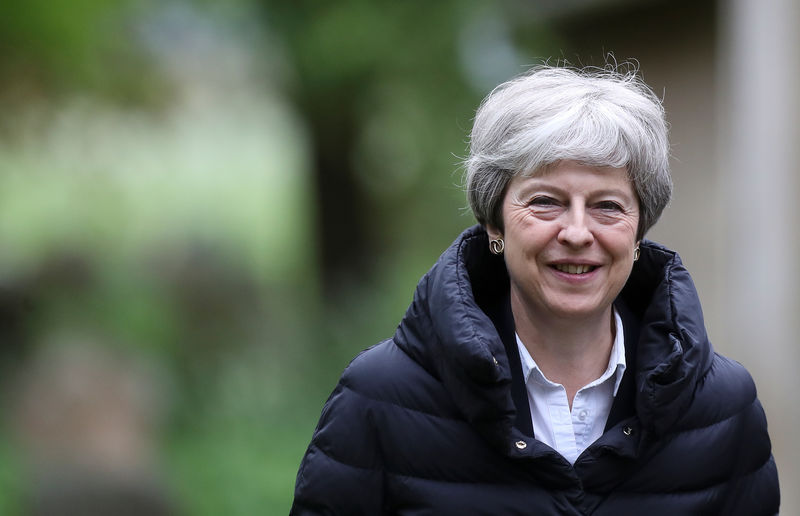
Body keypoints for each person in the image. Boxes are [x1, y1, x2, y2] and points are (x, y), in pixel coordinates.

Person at [290, 64, 780, 515]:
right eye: (546, 201)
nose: (577, 232)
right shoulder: (380, 399)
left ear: (639, 231)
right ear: (494, 223)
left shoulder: (722, 409)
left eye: (608, 205)